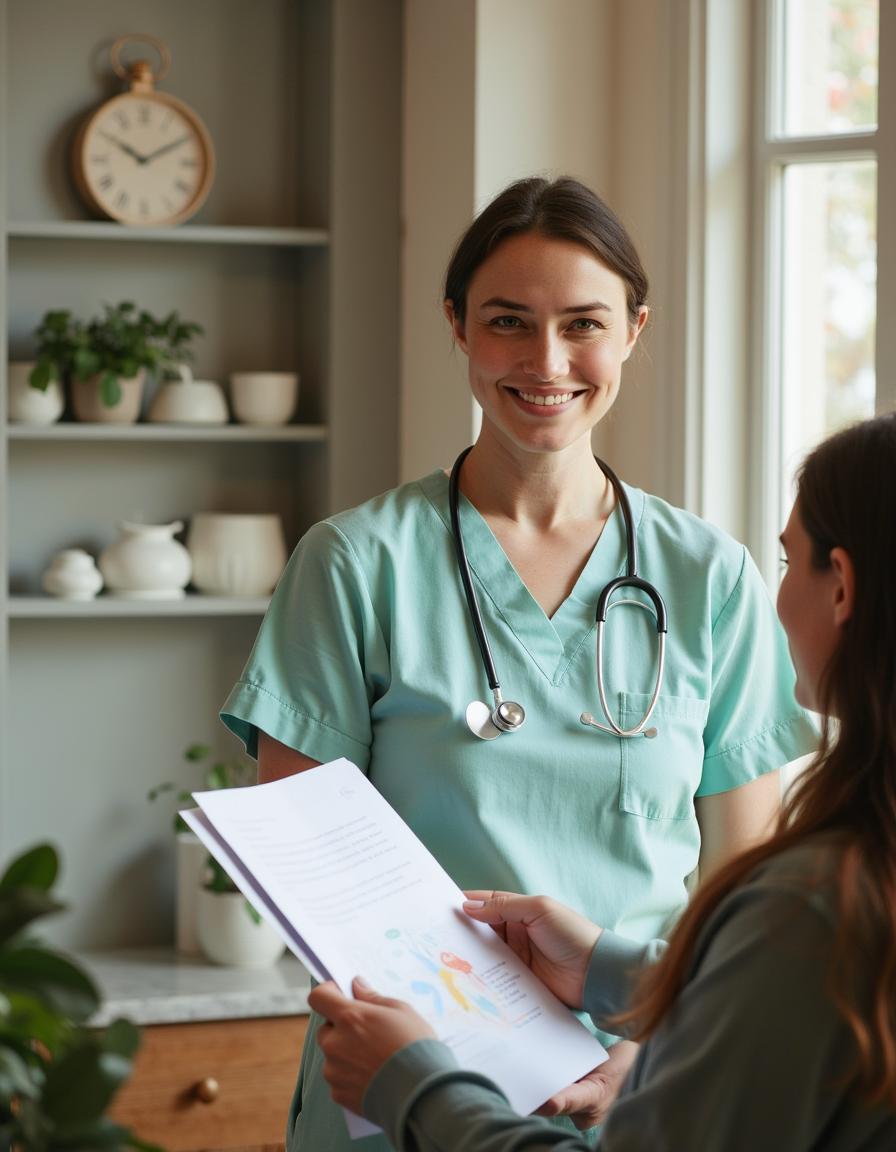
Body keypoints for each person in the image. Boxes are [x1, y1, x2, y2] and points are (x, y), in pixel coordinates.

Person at [220, 176, 816, 1149]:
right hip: (401, 1079)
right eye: (508, 322)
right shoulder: (356, 564)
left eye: (583, 323)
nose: (546, 361)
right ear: (456, 325)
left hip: (646, 1085)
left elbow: (740, 892)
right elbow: (307, 878)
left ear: (633, 330)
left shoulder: (707, 576)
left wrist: (652, 1041)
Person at [309, 412, 896, 1150]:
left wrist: (415, 1084)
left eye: (788, 564)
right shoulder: (355, 557)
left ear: (840, 585)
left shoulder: (819, 896)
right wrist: (605, 969)